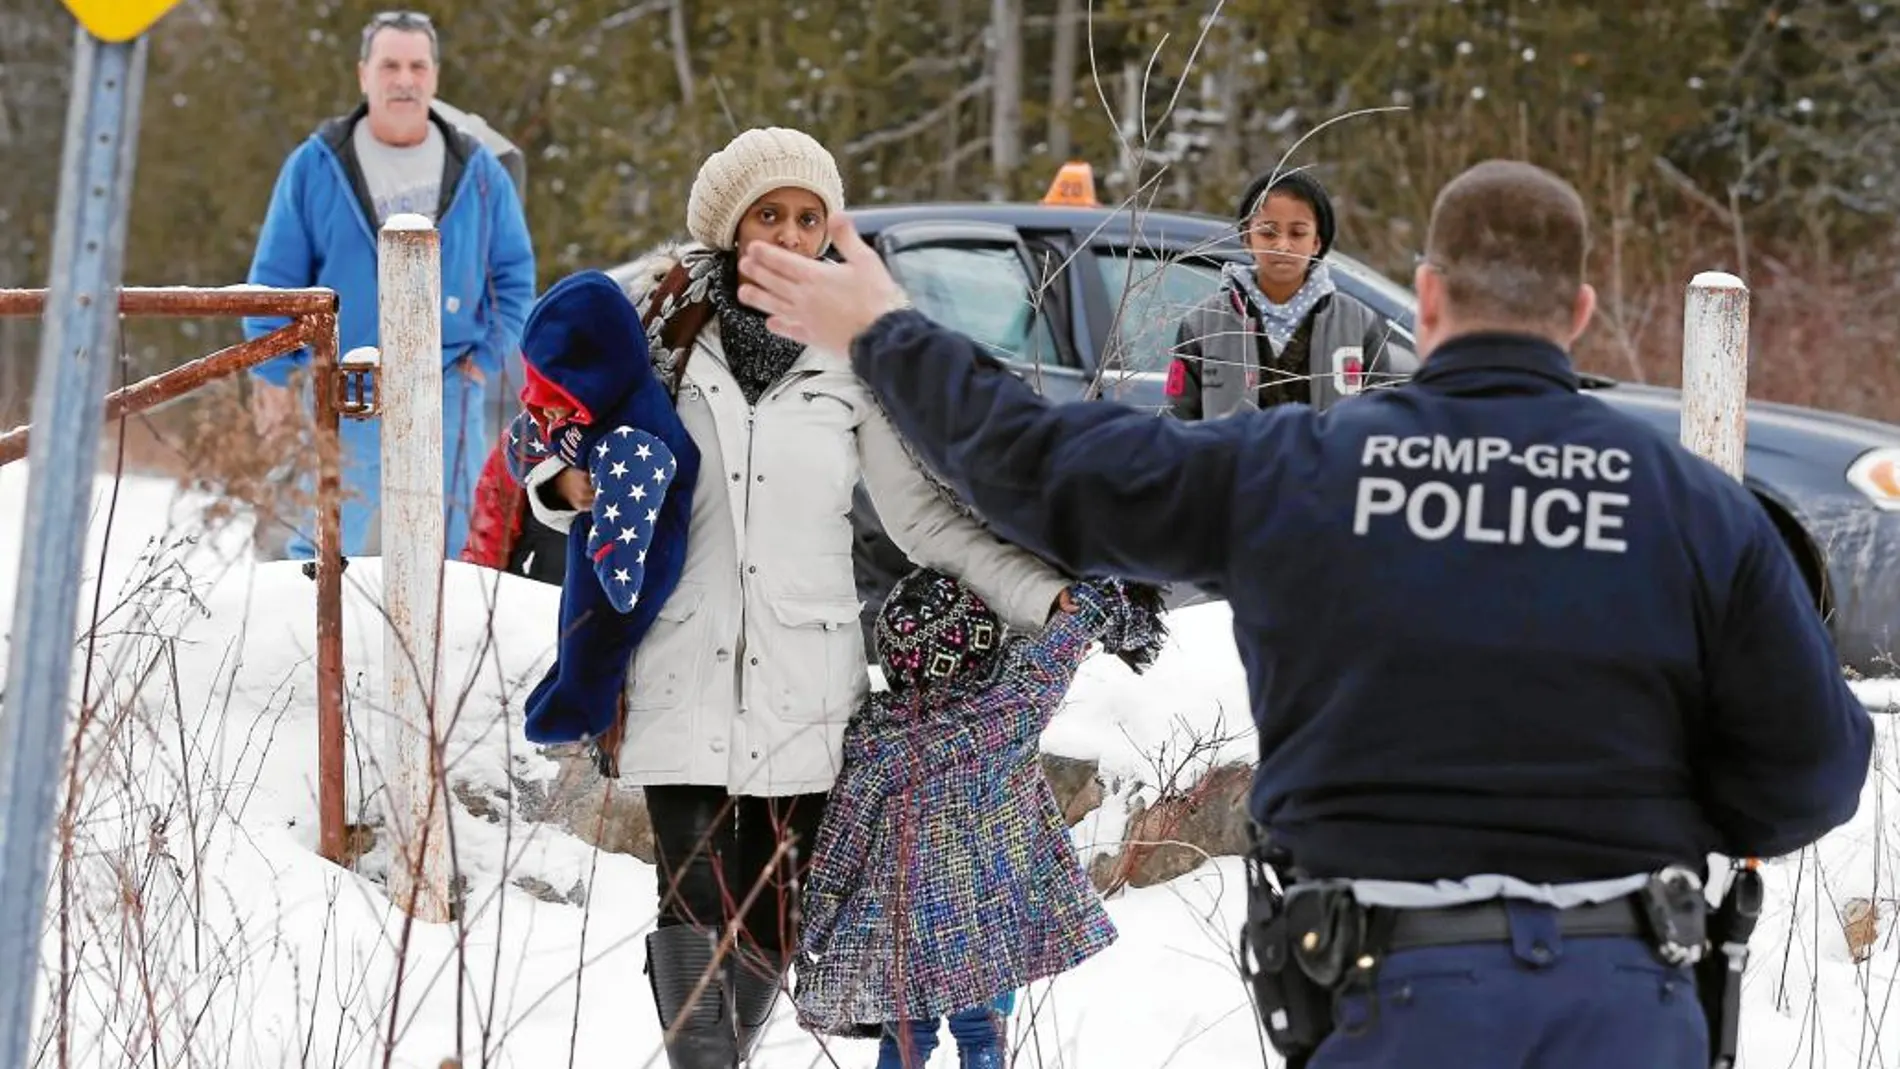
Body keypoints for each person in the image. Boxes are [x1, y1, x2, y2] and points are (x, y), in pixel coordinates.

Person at [732, 159, 1875, 1068]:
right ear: (1576, 310)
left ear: (1424, 299)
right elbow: (1810, 776)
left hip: (1390, 995)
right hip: (1627, 998)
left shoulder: (1305, 469)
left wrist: (884, 327)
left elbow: (1041, 468)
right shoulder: (1692, 506)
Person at [514, 126, 1074, 1069]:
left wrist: (1045, 597)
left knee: (774, 918)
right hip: (681, 661)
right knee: (692, 906)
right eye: (767, 214)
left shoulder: (853, 360)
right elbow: (558, 439)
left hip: (803, 682)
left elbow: (924, 521)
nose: (787, 232)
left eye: (807, 217)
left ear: (828, 232)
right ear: (732, 228)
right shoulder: (661, 332)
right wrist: (567, 490)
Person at [794, 571, 1165, 1068]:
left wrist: (815, 922)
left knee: (904, 1039)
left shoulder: (880, 743)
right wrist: (1124, 601)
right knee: (984, 1035)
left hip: (906, 931)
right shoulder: (1016, 698)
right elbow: (1075, 625)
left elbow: (842, 840)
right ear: (980, 636)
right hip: (995, 914)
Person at [242, 10, 535, 561]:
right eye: (390, 65)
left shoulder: (476, 170)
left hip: (448, 382)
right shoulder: (317, 165)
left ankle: (441, 651)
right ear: (363, 75)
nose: (404, 79)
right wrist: (275, 374)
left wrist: (489, 355)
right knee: (322, 547)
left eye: (417, 65)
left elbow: (515, 277)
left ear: (435, 77)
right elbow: (275, 278)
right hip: (344, 383)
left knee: (454, 552)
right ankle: (320, 649)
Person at [1166, 168, 1405, 420]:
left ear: (1317, 242)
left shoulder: (1358, 323)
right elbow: (1179, 427)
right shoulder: (1203, 325)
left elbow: (1378, 423)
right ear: (1247, 238)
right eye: (1268, 232)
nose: (1283, 245)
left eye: (1298, 233)